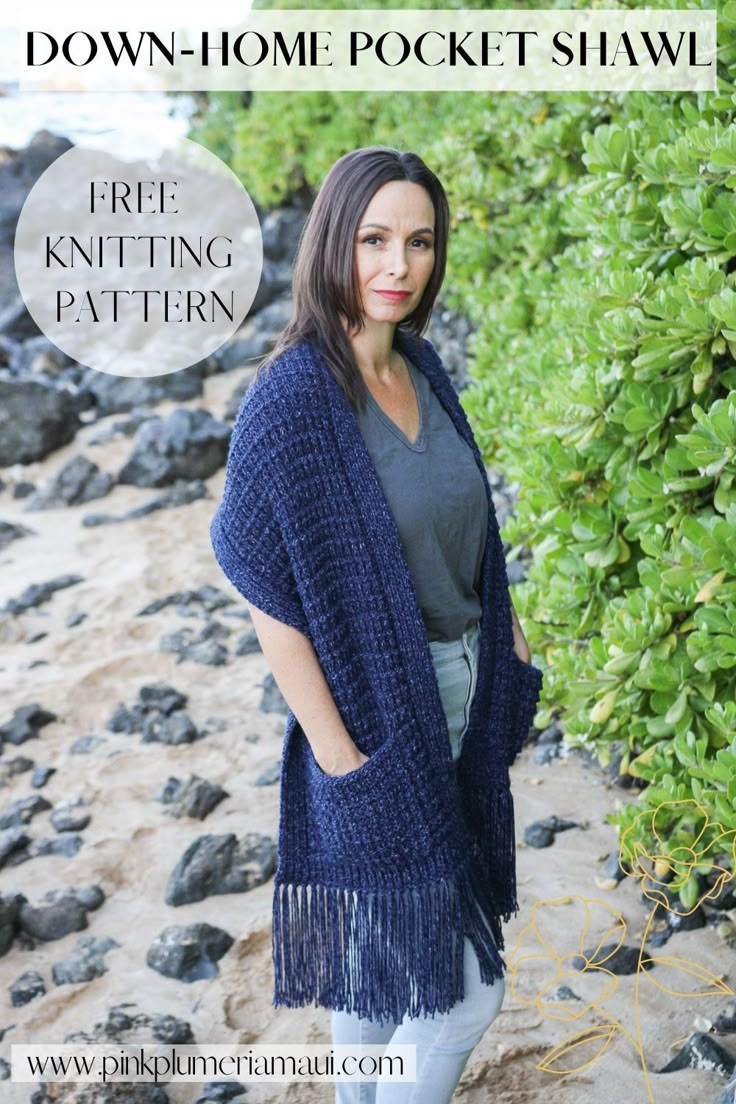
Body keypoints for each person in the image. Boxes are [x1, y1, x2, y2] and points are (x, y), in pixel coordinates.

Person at [209, 146, 544, 1103]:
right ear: (332, 245)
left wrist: (511, 651)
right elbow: (267, 591)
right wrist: (342, 761)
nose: (399, 265)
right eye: (374, 240)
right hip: (377, 724)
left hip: (468, 693)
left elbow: (466, 527)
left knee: (380, 961)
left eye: (420, 242)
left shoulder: (424, 369)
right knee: (462, 993)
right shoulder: (293, 400)